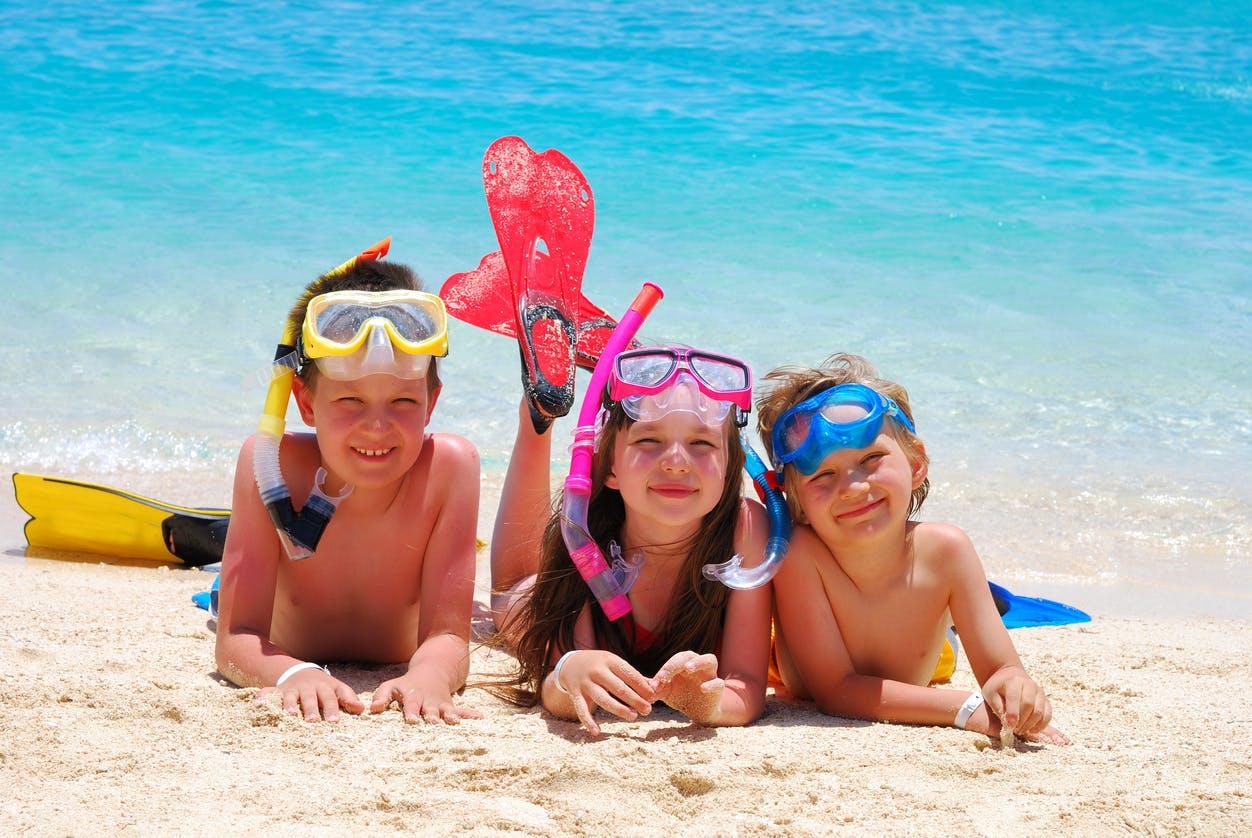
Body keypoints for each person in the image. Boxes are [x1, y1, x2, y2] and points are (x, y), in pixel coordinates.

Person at [215, 252, 481, 724]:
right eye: (350, 399)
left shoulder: (449, 470)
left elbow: (450, 639)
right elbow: (236, 638)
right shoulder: (270, 466)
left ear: (431, 402)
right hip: (284, 632)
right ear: (306, 402)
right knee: (218, 596)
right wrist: (290, 674)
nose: (376, 426)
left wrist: (431, 675)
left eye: (401, 400)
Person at [756, 353, 1069, 744]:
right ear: (794, 500)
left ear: (916, 462)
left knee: (949, 649)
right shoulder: (801, 554)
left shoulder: (946, 551)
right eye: (823, 474)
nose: (853, 487)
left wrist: (1016, 687)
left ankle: (970, 612)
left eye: (871, 458)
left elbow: (1001, 669)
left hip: (934, 655)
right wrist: (967, 708)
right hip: (806, 659)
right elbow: (837, 690)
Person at [490, 346, 773, 734]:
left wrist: (709, 704)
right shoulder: (583, 534)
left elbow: (748, 686)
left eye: (702, 443)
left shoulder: (745, 530)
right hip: (533, 599)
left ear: (729, 469)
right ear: (608, 468)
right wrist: (572, 669)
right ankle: (536, 420)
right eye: (648, 441)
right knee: (512, 598)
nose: (676, 460)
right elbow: (555, 687)